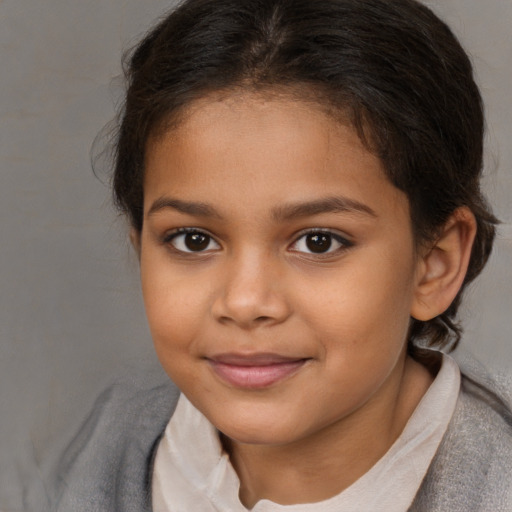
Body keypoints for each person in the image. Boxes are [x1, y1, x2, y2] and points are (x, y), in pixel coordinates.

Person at [31, 0, 512, 510]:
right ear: (141, 249)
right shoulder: (101, 454)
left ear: (433, 264)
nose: (245, 302)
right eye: (193, 240)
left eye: (318, 241)